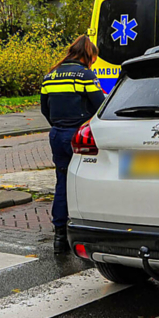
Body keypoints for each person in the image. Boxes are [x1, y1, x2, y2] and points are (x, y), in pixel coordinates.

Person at [40, 36, 105, 254]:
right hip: (79, 136)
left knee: (62, 183)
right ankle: (91, 232)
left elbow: (45, 109)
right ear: (88, 55)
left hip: (57, 134)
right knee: (89, 182)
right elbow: (100, 105)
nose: (93, 64)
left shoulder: (50, 75)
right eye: (93, 59)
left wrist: (59, 125)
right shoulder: (85, 75)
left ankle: (60, 237)